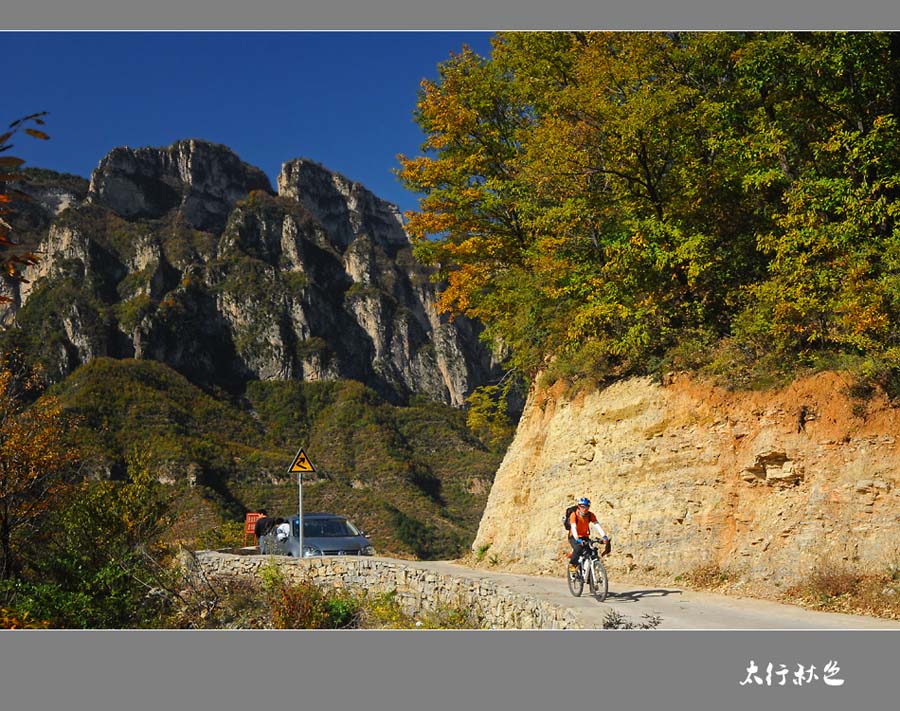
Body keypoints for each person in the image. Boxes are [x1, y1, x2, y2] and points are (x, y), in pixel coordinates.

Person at [567, 497, 609, 572]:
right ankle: (573, 565)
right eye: (583, 506)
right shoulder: (574, 515)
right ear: (579, 506)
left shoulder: (590, 515)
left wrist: (604, 536)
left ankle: (588, 572)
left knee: (592, 551)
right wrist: (577, 539)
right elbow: (573, 528)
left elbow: (597, 525)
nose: (585, 509)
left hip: (585, 536)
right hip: (574, 536)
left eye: (587, 507)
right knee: (578, 549)